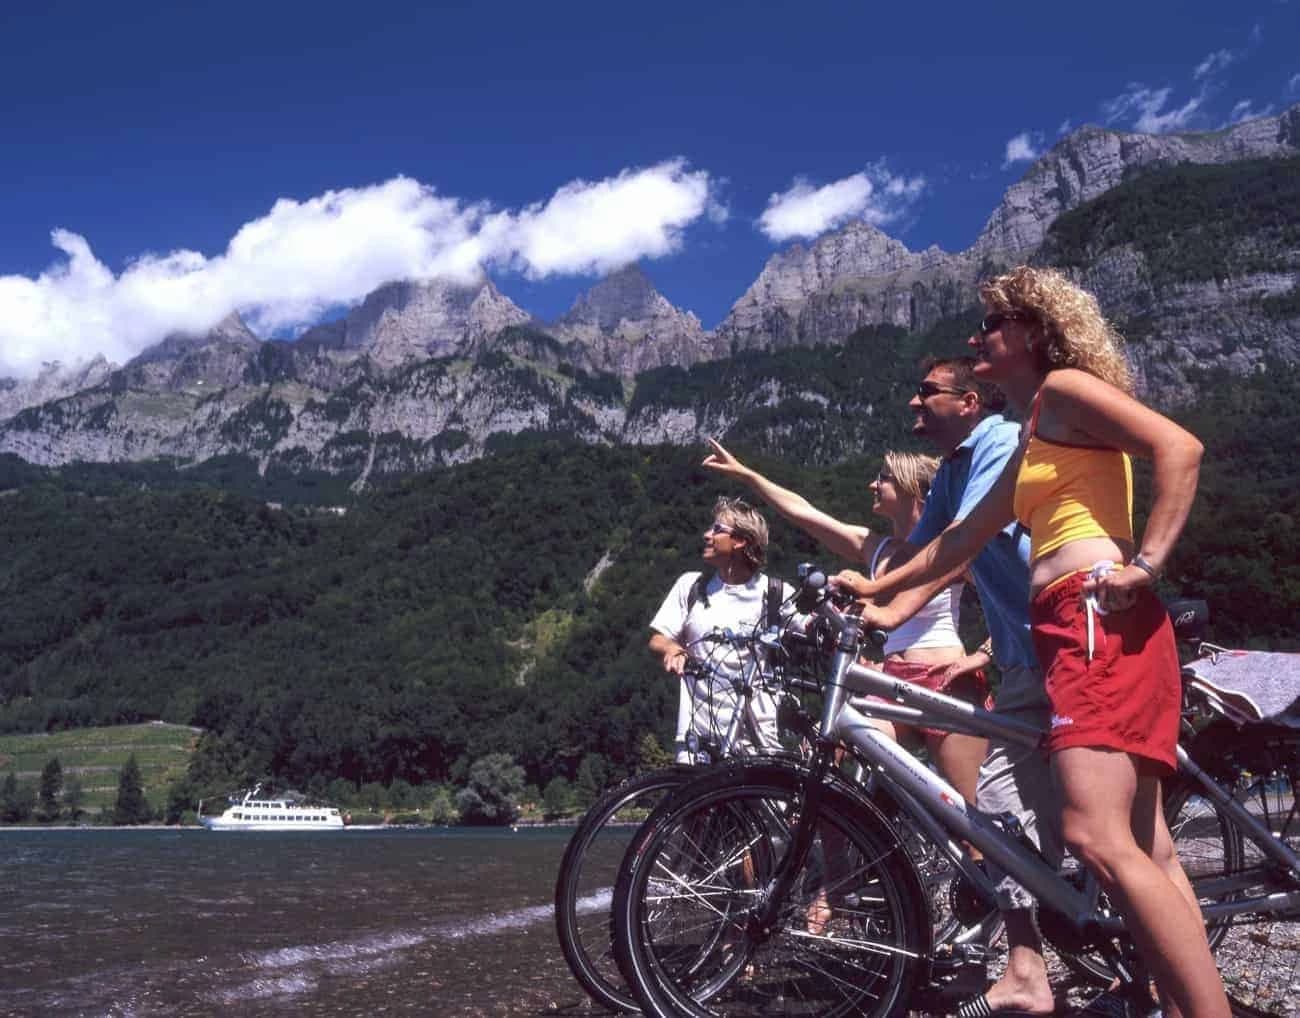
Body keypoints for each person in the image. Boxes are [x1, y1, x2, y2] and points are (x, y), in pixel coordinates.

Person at [841, 266, 1228, 1017]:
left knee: (1093, 833)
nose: (975, 336)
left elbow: (1181, 447)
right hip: (1070, 626)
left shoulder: (1066, 392)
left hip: (1094, 620)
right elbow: (965, 536)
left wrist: (1146, 565)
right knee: (1144, 848)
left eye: (990, 324)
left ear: (1032, 332)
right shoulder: (1035, 427)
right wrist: (878, 595)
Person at [825, 354, 1063, 1017]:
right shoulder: (954, 470)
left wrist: (874, 588)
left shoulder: (997, 442)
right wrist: (875, 604)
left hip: (1063, 645)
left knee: (1095, 817)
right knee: (991, 813)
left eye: (925, 392)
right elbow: (921, 566)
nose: (912, 404)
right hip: (1022, 658)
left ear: (969, 402)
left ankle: (1155, 962)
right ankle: (1026, 971)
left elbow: (959, 540)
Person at [701, 440, 991, 807]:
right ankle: (842, 862)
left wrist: (986, 652)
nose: (873, 485)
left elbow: (1010, 596)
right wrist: (748, 475)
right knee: (832, 759)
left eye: (883, 478)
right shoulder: (876, 547)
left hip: (947, 681)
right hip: (893, 682)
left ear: (911, 491)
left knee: (971, 818)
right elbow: (803, 512)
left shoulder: (947, 548)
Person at [648, 497, 793, 764]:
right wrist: (672, 648)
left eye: (716, 530)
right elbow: (658, 637)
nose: (707, 535)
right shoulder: (691, 586)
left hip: (756, 738)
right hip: (696, 739)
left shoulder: (776, 594)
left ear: (740, 542)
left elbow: (822, 636)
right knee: (693, 806)